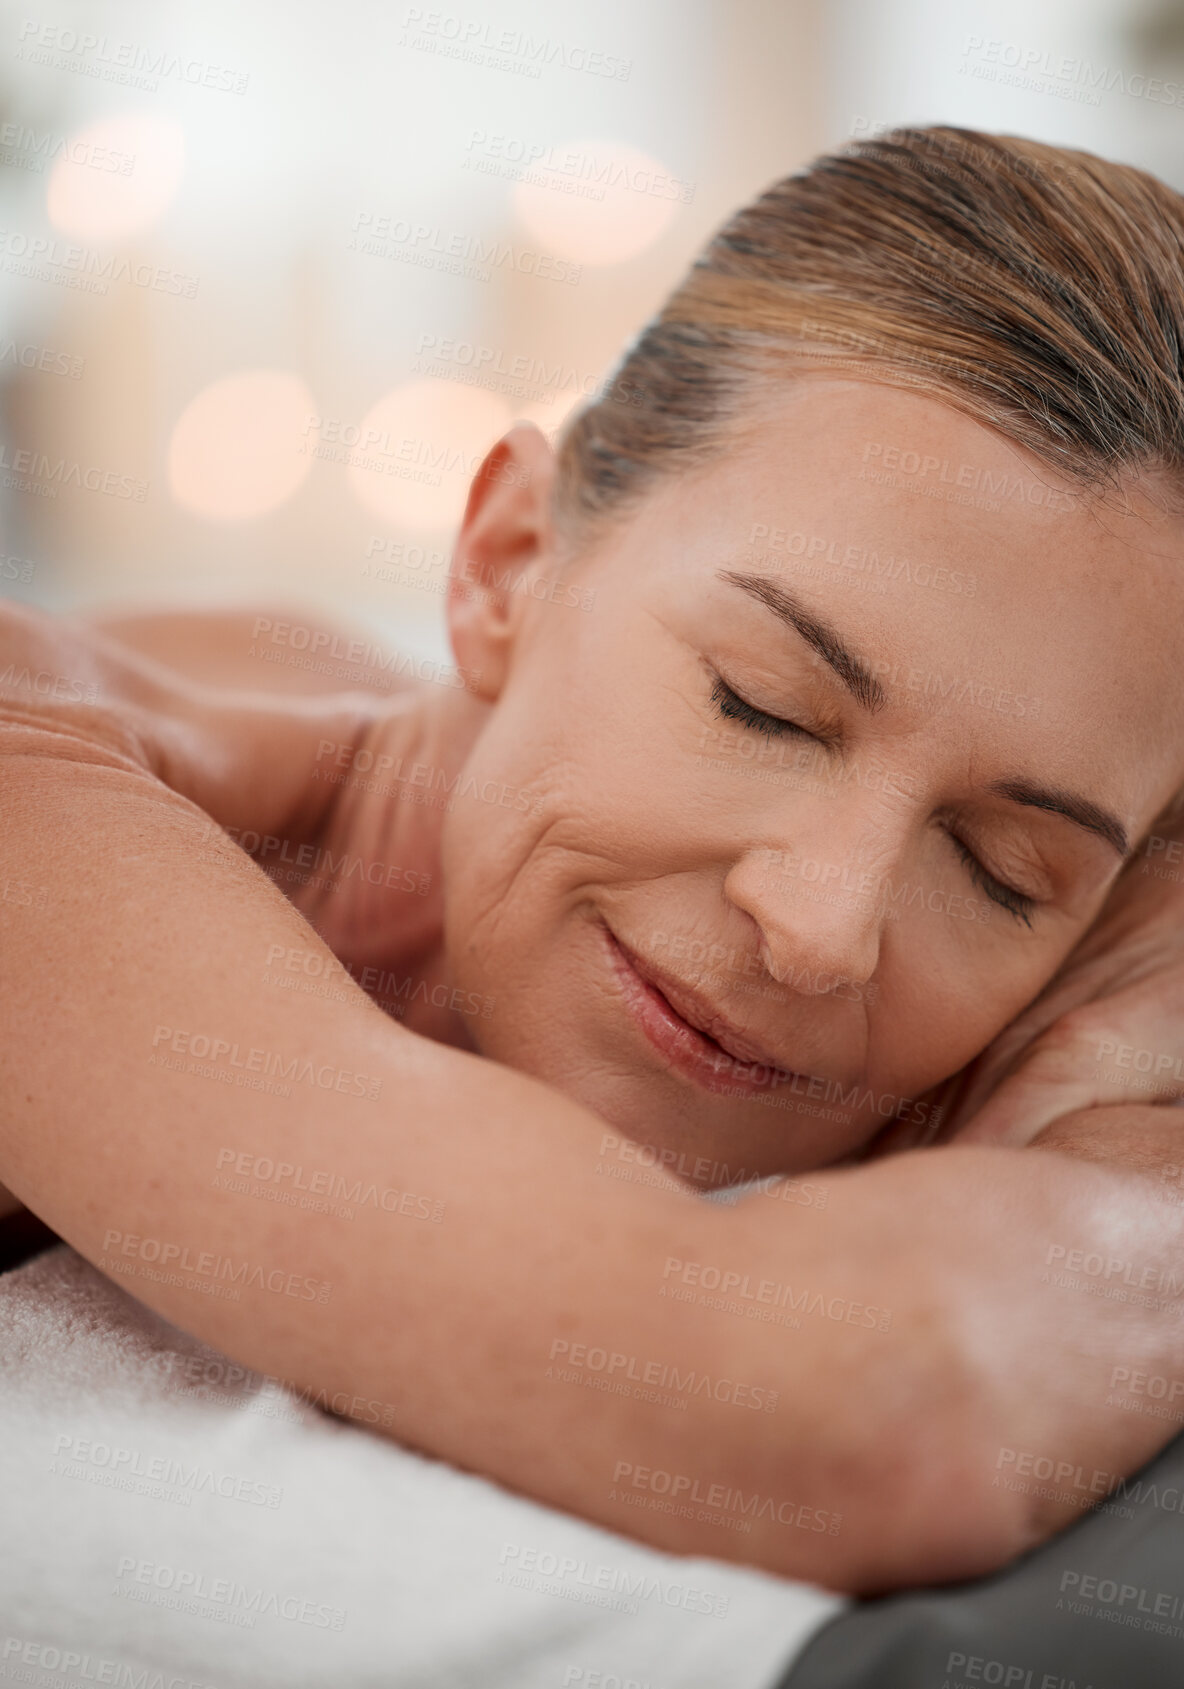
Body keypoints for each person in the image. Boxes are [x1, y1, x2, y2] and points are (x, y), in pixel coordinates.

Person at [2, 123, 1184, 1597]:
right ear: (505, 563)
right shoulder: (32, 787)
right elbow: (849, 1423)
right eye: (761, 705)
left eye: (1006, 867)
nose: (822, 927)